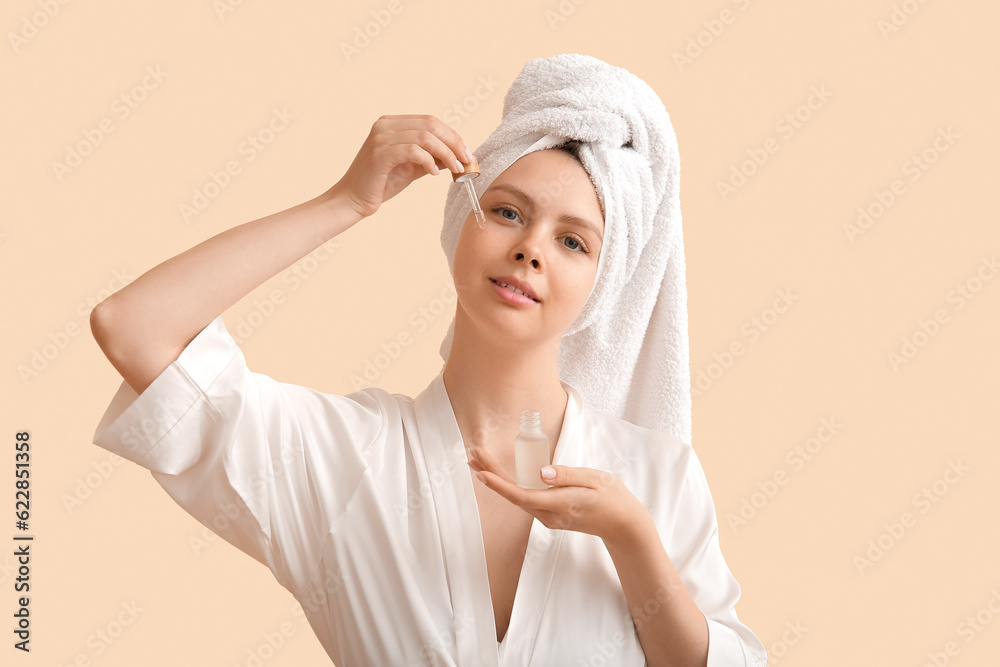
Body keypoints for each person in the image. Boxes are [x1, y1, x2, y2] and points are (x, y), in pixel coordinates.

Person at [91, 56, 766, 666]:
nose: (531, 248)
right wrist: (346, 201)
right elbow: (132, 326)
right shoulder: (343, 462)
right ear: (459, 222)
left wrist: (632, 537)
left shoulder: (656, 478)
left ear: (604, 285)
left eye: (572, 241)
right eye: (507, 211)